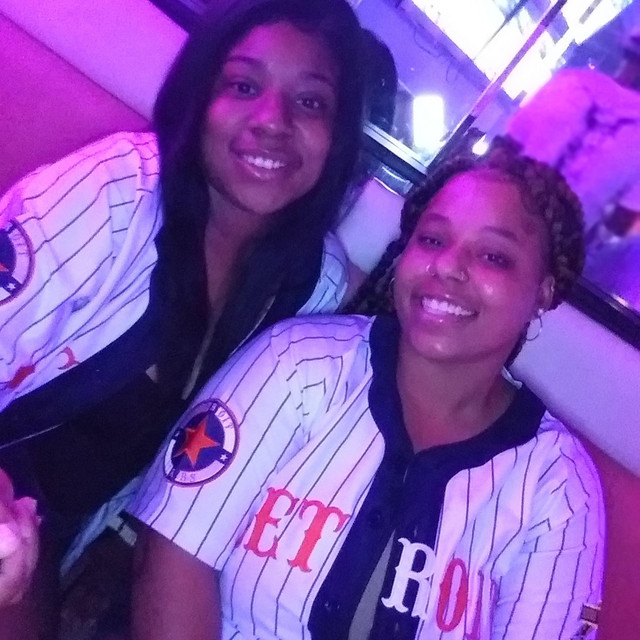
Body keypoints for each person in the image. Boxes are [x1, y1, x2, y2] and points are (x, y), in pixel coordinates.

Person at [130, 138, 604, 640]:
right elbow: (171, 552)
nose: (447, 266)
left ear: (543, 291)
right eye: (432, 240)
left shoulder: (558, 486)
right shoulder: (297, 364)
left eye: (492, 256)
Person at [0, 0, 365, 634]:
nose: (272, 121)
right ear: (201, 95)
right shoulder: (116, 192)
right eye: (244, 86)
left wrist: (116, 549)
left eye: (310, 103)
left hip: (55, 541)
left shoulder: (315, 287)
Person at [506, 27, 640, 241]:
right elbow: (621, 222)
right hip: (554, 244)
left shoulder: (570, 81)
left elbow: (505, 148)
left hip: (501, 209)